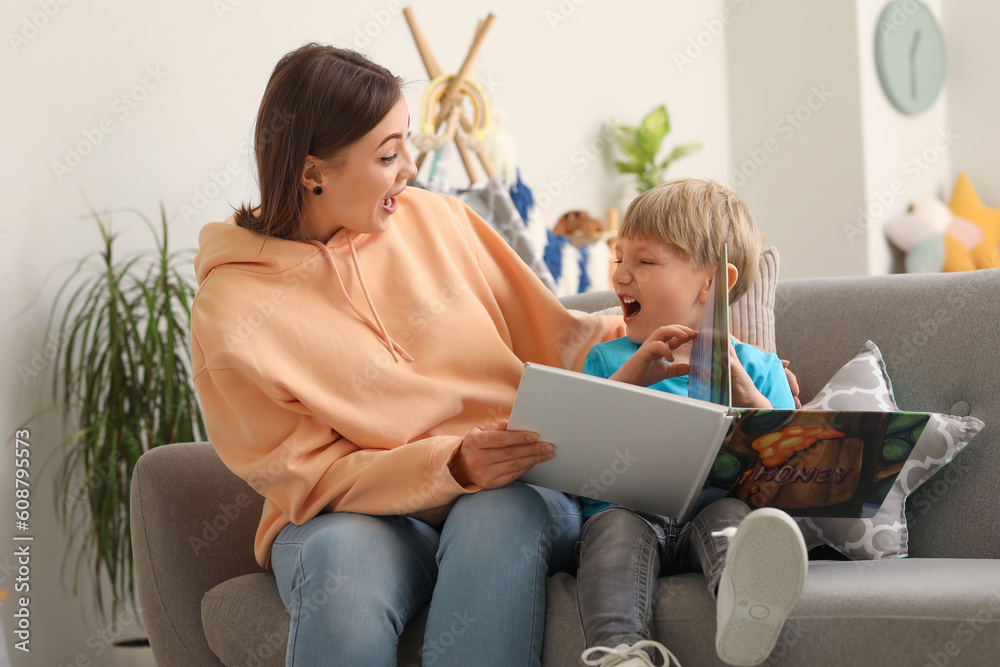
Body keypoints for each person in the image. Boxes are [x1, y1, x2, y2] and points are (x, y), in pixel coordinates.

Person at [189, 44, 627, 666]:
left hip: (510, 487)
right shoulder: (231, 310)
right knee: (342, 564)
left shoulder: (441, 221)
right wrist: (449, 465)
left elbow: (560, 340)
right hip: (358, 513)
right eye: (388, 154)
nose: (411, 170)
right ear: (314, 171)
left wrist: (676, 342)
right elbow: (306, 476)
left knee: (496, 516)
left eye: (407, 147)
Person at [575, 179, 808, 667]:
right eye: (619, 258)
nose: (621, 275)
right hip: (628, 513)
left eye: (645, 261)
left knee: (734, 522)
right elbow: (578, 446)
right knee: (611, 533)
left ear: (713, 283)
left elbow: (790, 465)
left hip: (713, 510)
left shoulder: (761, 367)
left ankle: (747, 611)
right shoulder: (607, 358)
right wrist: (632, 376)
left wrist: (745, 389)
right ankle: (621, 655)